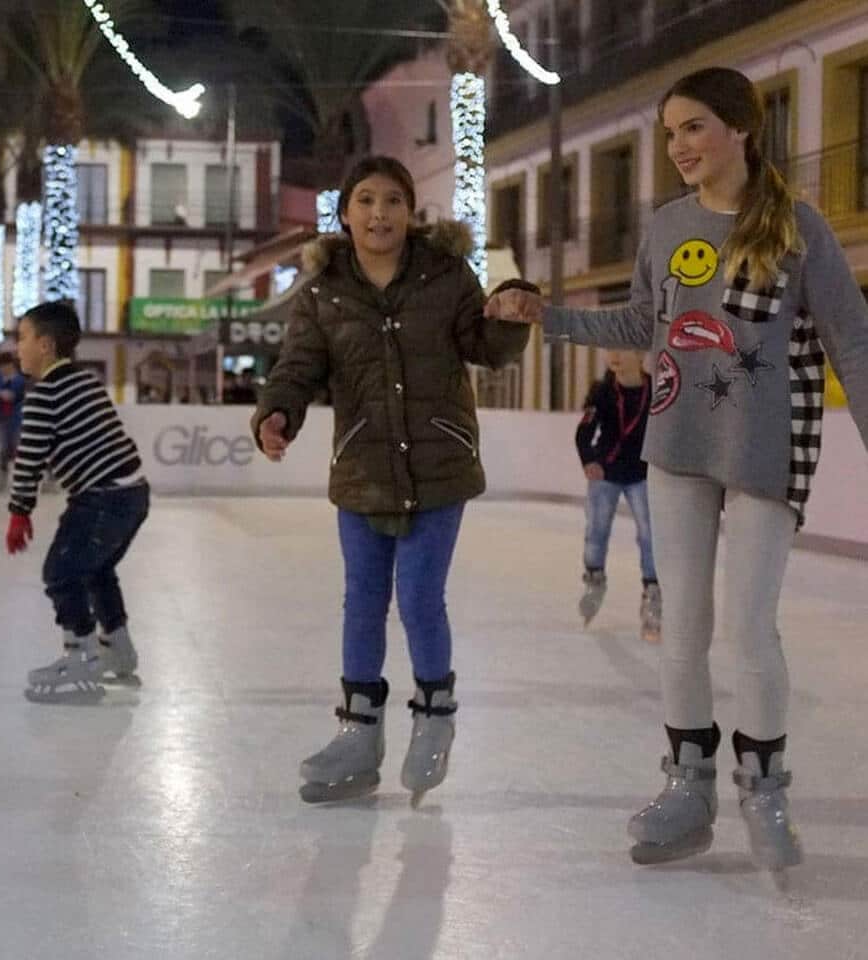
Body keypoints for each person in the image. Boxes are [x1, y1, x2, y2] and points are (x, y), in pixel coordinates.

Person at [489, 67, 868, 874]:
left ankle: (764, 788)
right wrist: (546, 316)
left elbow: (853, 341)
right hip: (677, 442)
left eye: (693, 127)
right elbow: (640, 319)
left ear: (740, 128)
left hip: (767, 446)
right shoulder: (665, 226)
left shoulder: (799, 227)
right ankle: (688, 787)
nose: (678, 147)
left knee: (750, 627)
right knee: (682, 629)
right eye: (668, 133)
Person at [253, 155, 533, 806]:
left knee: (417, 598)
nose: (380, 213)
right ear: (345, 213)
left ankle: (434, 718)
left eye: (393, 201)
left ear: (411, 213)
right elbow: (298, 366)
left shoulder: (445, 275)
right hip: (363, 467)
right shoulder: (324, 292)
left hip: (440, 463)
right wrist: (276, 412)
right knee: (361, 601)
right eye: (366, 200)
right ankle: (358, 736)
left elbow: (485, 346)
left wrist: (512, 318)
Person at [6, 302, 149, 703]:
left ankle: (81, 656)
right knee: (97, 569)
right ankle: (117, 649)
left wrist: (19, 512)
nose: (17, 348)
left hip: (103, 496)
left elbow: (29, 458)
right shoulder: (86, 380)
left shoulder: (43, 396)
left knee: (62, 572)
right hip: (133, 491)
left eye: (23, 338)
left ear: (46, 345)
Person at [576, 350, 660, 642]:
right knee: (596, 531)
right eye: (608, 349)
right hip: (606, 473)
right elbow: (584, 432)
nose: (613, 356)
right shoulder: (601, 391)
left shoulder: (657, 390)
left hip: (642, 475)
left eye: (621, 349)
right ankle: (594, 578)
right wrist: (589, 460)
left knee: (650, 535)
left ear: (639, 355)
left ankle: (653, 594)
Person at [0, 352, 26, 492]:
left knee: (17, 448)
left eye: (4, 367)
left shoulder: (19, 380)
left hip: (16, 418)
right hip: (2, 418)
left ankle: (20, 480)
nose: (2, 370)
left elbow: (12, 396)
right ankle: (2, 478)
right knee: (3, 448)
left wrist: (1, 395)